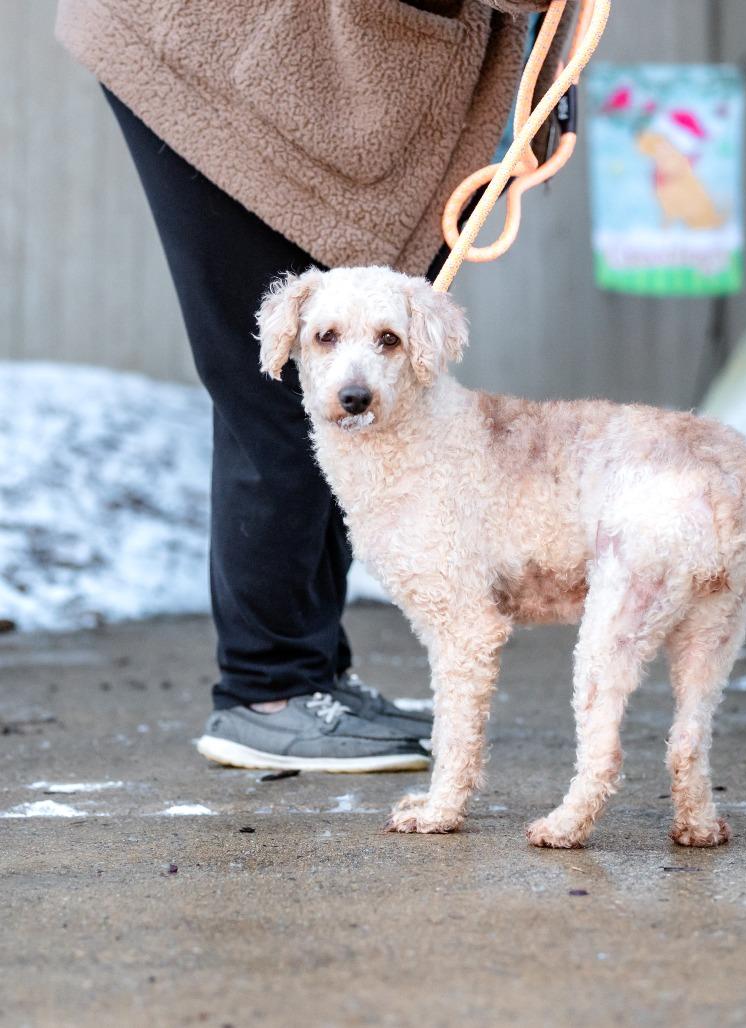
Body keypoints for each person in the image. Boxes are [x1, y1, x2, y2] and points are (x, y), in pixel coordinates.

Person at [56, 0, 559, 772]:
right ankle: (268, 692)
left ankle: (310, 672)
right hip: (216, 49)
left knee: (351, 400)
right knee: (288, 388)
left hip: (322, 72)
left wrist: (544, 70)